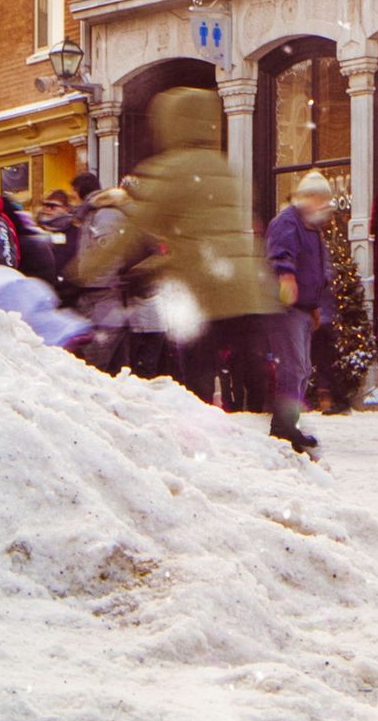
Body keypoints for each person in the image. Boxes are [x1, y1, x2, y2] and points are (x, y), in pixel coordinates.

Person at [103, 86, 316, 454]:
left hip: (205, 292)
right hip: (247, 292)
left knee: (198, 374)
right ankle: (285, 429)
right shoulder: (223, 166)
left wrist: (85, 270)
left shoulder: (170, 170)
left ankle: (199, 449)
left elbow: (135, 232)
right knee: (263, 367)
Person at [262, 170, 340, 424]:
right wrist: (286, 277)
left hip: (303, 308)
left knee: (302, 369)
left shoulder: (311, 227)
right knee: (293, 368)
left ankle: (289, 423)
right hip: (286, 307)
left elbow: (317, 271)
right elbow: (280, 254)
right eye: (322, 200)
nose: (325, 206)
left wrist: (315, 307)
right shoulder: (288, 222)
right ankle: (283, 426)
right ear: (310, 197)